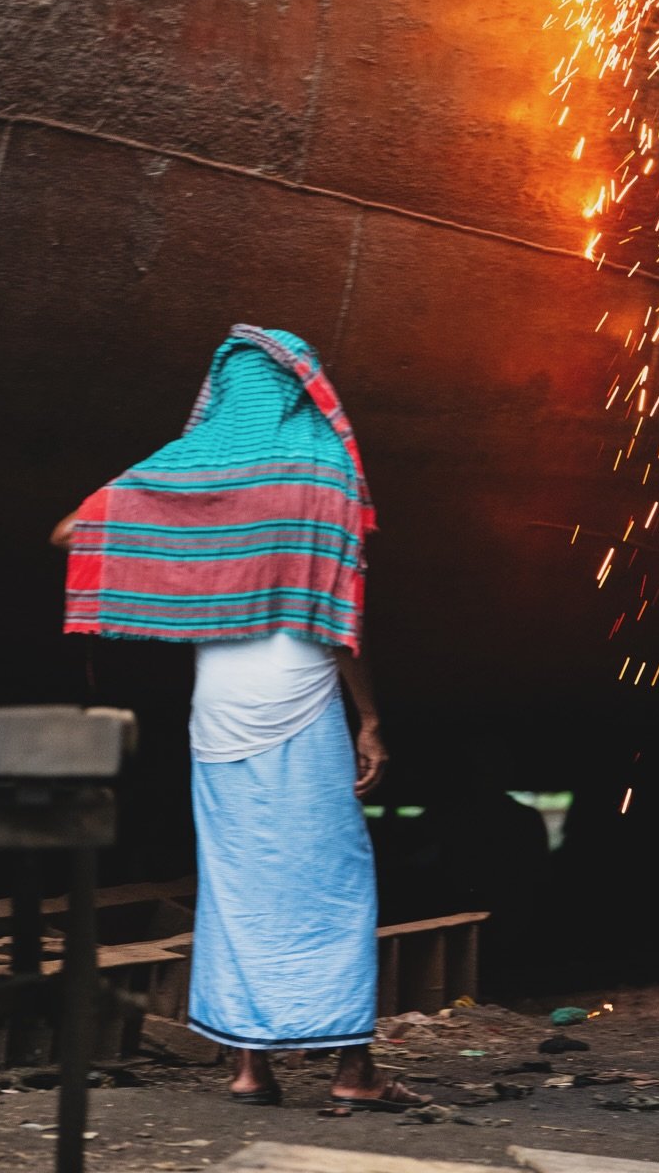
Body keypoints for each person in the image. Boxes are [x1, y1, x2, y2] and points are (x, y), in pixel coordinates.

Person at [52, 324, 421, 1110]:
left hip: (216, 716)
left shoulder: (188, 468)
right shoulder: (322, 472)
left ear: (225, 388)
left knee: (236, 884)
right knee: (332, 884)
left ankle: (251, 1068)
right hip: (302, 702)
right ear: (297, 386)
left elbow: (71, 532)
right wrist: (371, 719)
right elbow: (337, 615)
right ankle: (353, 1073)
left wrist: (183, 556)